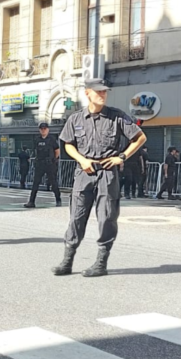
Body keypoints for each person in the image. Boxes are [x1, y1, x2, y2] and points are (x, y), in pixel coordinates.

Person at [53, 79, 146, 277]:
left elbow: (139, 138)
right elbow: (68, 143)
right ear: (88, 93)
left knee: (107, 217)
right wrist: (81, 159)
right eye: (98, 92)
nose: (102, 95)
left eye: (105, 92)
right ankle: (67, 260)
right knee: (76, 217)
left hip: (107, 172)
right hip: (84, 171)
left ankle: (101, 263)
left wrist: (121, 157)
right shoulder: (76, 119)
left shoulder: (116, 116)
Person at [24, 123, 62, 208]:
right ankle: (31, 201)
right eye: (41, 129)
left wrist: (53, 160)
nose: (43, 130)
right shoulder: (37, 139)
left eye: (45, 128)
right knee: (35, 183)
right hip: (40, 164)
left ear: (48, 129)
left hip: (49, 164)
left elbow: (57, 151)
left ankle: (58, 200)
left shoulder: (52, 139)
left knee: (53, 182)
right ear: (39, 130)